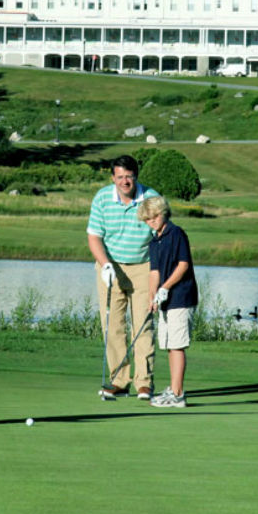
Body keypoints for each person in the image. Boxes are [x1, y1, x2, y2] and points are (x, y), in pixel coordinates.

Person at [87, 155, 158, 399]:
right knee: (112, 325)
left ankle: (144, 382)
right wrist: (105, 264)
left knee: (142, 324)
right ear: (113, 178)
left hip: (144, 266)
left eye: (129, 176)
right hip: (111, 266)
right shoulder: (102, 198)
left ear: (136, 176)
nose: (125, 181)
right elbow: (94, 236)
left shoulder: (151, 198)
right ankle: (119, 379)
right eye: (120, 177)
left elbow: (160, 236)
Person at [138, 196, 198, 408]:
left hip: (181, 296)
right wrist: (152, 295)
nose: (152, 222)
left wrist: (165, 288)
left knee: (177, 345)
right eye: (147, 219)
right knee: (170, 345)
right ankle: (173, 389)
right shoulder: (155, 241)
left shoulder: (177, 234)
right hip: (165, 298)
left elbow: (183, 266)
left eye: (154, 217)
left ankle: (178, 394)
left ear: (163, 213)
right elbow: (154, 272)